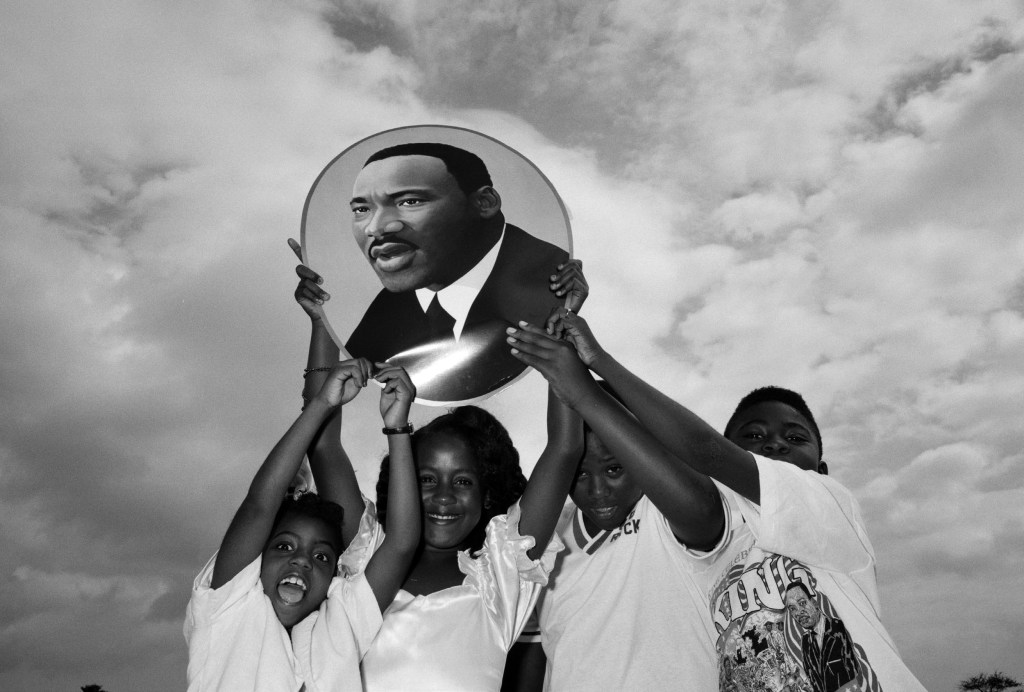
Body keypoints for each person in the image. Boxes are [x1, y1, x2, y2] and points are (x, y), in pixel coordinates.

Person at [514, 309, 926, 692]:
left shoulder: (827, 505)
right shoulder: (716, 541)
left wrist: (592, 368)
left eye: (795, 438)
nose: (776, 445)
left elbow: (702, 449)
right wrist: (562, 338)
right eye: (753, 437)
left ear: (822, 469)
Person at [292, 253, 587, 692]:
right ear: (404, 482)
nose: (444, 497)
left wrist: (561, 320)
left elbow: (564, 450)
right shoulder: (368, 555)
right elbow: (321, 442)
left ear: (488, 495)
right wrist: (323, 322)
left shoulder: (498, 580)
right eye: (426, 479)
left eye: (463, 481)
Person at [505, 321, 726, 690]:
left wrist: (583, 375)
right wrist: (556, 341)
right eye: (579, 474)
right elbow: (535, 653)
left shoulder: (666, 514)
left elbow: (703, 510)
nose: (598, 491)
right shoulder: (548, 535)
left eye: (614, 468)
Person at [184, 361, 421, 692]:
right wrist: (322, 404)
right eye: (283, 546)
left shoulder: (342, 625)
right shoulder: (227, 610)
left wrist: (397, 428)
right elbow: (258, 507)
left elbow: (401, 545)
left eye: (323, 556)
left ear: (334, 576)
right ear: (257, 558)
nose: (302, 560)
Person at [341, 142, 578, 401]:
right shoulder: (389, 308)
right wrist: (319, 321)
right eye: (361, 210)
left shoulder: (549, 282)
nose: (375, 228)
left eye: (410, 201)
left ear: (485, 203)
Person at [785, 582, 862, 692]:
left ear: (814, 603)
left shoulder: (839, 628)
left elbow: (856, 672)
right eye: (792, 609)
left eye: (802, 603)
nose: (799, 612)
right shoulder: (805, 642)